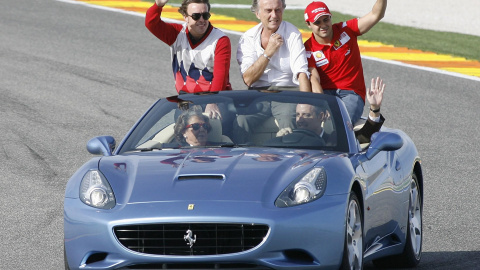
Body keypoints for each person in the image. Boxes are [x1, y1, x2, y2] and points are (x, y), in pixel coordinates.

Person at [303, 0, 387, 124]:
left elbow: (376, 14)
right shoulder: (307, 48)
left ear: (331, 17)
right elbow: (314, 80)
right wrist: (322, 104)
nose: (323, 25)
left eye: (326, 19)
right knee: (311, 124)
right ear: (309, 24)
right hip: (325, 94)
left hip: (351, 94)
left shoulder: (346, 29)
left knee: (340, 125)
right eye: (317, 22)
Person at [145, 0, 231, 119]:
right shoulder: (176, 34)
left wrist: (212, 102)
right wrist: (158, 6)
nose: (202, 20)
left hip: (216, 97)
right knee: (180, 128)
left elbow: (220, 76)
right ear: (185, 17)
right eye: (196, 16)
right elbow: (151, 24)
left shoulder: (220, 40)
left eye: (205, 15)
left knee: (219, 123)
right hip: (187, 98)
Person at [275, 77, 386, 145]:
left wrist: (375, 108)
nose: (300, 120)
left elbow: (365, 136)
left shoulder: (336, 139)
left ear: (321, 116)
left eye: (306, 115)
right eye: (298, 115)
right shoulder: (288, 138)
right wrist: (279, 141)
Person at [237, 0, 311, 92]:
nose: (274, 15)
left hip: (286, 91)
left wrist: (305, 103)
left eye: (277, 10)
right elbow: (248, 79)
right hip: (258, 92)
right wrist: (268, 53)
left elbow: (302, 72)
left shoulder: (292, 33)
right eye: (268, 10)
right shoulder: (248, 37)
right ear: (257, 14)